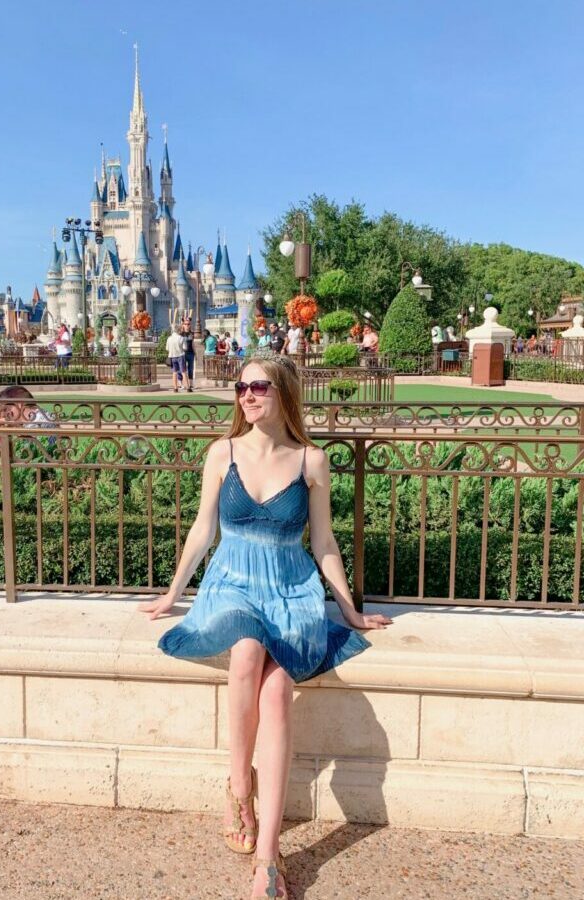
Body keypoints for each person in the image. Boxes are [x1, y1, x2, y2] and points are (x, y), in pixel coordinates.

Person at [139, 354, 391, 900]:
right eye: (241, 387)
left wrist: (348, 609)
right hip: (232, 582)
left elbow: (323, 543)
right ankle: (238, 787)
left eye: (259, 387)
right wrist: (172, 595)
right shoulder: (221, 453)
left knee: (277, 694)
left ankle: (269, 857)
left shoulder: (311, 461)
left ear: (284, 394)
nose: (247, 396)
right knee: (247, 650)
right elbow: (203, 530)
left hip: (291, 588)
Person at [166, 325, 186, 393]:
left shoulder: (169, 338)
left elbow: (167, 348)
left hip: (172, 356)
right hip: (180, 355)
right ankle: (188, 387)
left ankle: (175, 388)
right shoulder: (181, 338)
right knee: (183, 371)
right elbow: (185, 348)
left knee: (174, 372)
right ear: (179, 330)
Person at [180, 322, 195, 393]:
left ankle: (191, 384)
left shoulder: (191, 334)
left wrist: (195, 353)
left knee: (190, 369)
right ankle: (182, 384)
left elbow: (192, 344)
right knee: (182, 369)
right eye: (185, 324)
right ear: (183, 325)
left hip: (191, 353)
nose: (187, 325)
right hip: (183, 354)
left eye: (188, 324)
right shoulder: (180, 334)